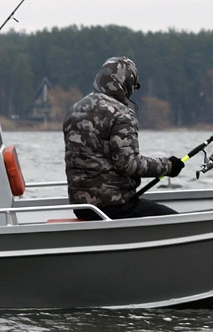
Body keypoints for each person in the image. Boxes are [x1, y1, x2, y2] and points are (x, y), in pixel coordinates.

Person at [63, 56, 184, 220]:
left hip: (81, 206)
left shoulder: (74, 109)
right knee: (175, 220)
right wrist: (169, 166)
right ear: (126, 83)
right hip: (113, 205)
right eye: (134, 85)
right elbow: (127, 164)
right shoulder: (121, 114)